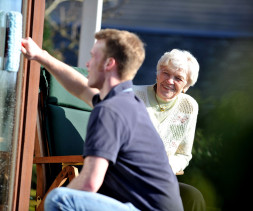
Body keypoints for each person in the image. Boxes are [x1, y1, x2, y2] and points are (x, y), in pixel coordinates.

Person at [21, 29, 183, 211]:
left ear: (108, 63)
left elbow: (89, 184)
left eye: (93, 57)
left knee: (60, 199)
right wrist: (41, 56)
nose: (88, 64)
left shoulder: (110, 110)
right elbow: (82, 89)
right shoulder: (128, 103)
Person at [132, 49, 206, 211]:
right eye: (166, 73)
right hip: (128, 177)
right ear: (157, 74)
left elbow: (183, 154)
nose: (169, 81)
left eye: (178, 78)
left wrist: (164, 168)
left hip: (160, 180)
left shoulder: (189, 106)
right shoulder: (132, 96)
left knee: (192, 196)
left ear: (186, 86)